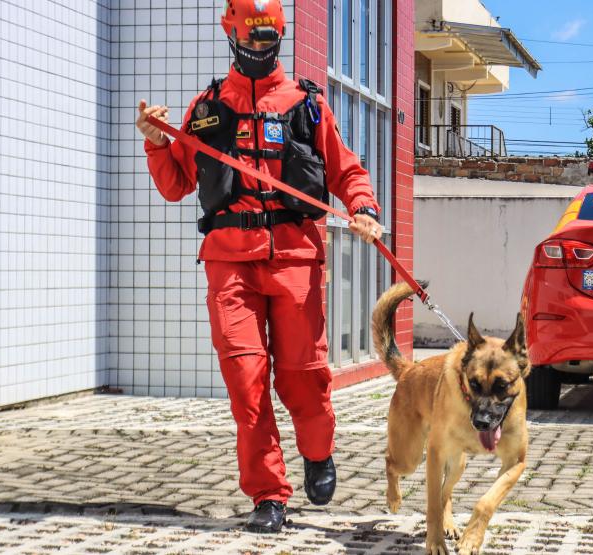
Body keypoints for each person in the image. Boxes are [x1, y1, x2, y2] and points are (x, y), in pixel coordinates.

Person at [134, 0, 383, 534]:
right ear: (232, 35)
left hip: (295, 259)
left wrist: (362, 208)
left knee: (304, 378)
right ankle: (268, 494)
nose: (258, 53)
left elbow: (347, 169)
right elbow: (176, 185)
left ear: (279, 39)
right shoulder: (206, 108)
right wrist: (157, 145)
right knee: (247, 383)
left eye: (267, 44)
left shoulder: (306, 105)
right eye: (250, 44)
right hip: (230, 264)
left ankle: (318, 452)